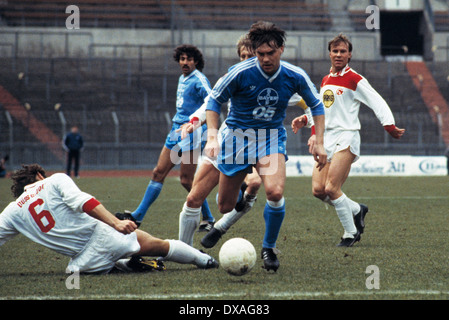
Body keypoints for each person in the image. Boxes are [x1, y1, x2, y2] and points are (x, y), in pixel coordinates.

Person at [204, 21, 327, 272]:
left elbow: (317, 105)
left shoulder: (294, 75)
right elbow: (213, 102)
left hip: (270, 138)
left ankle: (268, 247)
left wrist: (319, 140)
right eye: (260, 54)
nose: (265, 59)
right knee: (225, 206)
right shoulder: (240, 72)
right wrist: (213, 137)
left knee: (275, 192)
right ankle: (239, 190)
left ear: (281, 49)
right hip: (237, 139)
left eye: (270, 53)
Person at [179, 35, 316, 250]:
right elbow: (210, 102)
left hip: (263, 142)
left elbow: (309, 103)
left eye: (250, 56)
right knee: (197, 198)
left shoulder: (277, 81)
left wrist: (309, 124)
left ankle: (222, 228)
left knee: (257, 184)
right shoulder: (236, 76)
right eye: (243, 56)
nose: (247, 60)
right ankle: (183, 249)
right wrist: (194, 122)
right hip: (229, 141)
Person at [292, 34, 405, 247]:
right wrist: (306, 119)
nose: (338, 54)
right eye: (335, 51)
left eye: (343, 51)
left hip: (347, 136)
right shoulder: (326, 80)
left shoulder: (354, 79)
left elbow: (376, 100)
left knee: (332, 188)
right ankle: (356, 209)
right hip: (327, 138)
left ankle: (350, 233)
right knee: (318, 190)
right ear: (329, 53)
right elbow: (324, 110)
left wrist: (388, 124)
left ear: (349, 54)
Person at [0, 164, 218, 274]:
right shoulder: (54, 180)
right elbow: (84, 201)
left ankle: (125, 265)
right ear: (39, 176)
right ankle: (204, 260)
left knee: (71, 273)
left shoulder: (12, 212)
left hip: (84, 263)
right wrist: (116, 222)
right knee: (159, 245)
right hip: (105, 234)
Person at [116, 44, 214, 227]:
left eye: (189, 59)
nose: (185, 62)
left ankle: (208, 218)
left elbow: (212, 102)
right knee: (158, 172)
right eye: (182, 59)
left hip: (190, 134)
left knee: (186, 180)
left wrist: (197, 125)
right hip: (176, 131)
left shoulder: (199, 80)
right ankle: (138, 216)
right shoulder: (182, 78)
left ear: (196, 61)